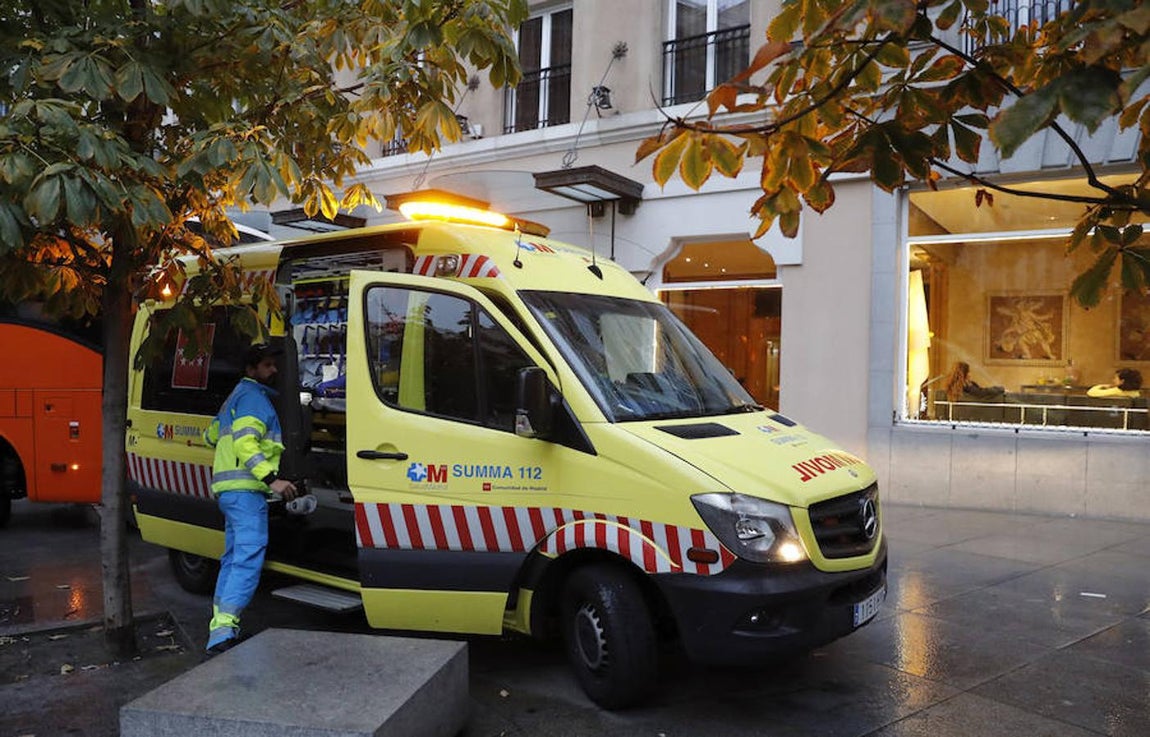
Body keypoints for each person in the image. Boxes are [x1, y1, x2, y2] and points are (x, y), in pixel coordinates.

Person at [202, 342, 298, 656]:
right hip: (246, 492)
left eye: (274, 365)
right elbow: (246, 443)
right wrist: (273, 480)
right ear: (251, 369)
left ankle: (220, 627)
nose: (274, 371)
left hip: (228, 492)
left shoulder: (235, 397)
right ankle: (223, 633)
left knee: (232, 560)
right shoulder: (255, 399)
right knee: (246, 560)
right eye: (267, 365)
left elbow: (211, 436)